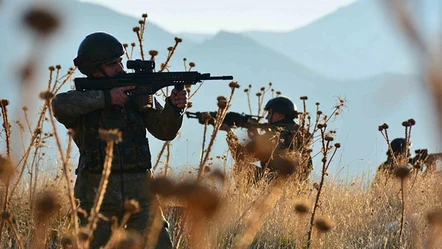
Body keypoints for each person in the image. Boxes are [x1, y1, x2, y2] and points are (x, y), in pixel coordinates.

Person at [51, 32, 187, 248]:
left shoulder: (136, 94)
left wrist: (174, 107)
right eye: (113, 64)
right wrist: (107, 98)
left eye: (120, 62)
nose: (120, 68)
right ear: (94, 69)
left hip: (141, 192)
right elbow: (59, 105)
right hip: (96, 194)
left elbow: (165, 132)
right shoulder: (82, 100)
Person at [220, 96, 313, 184]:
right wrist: (258, 138)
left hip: (276, 184)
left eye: (270, 113)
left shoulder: (275, 135)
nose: (267, 117)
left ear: (280, 115)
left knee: (241, 167)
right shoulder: (299, 134)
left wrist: (229, 132)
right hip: (297, 186)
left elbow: (240, 155)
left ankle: (245, 199)